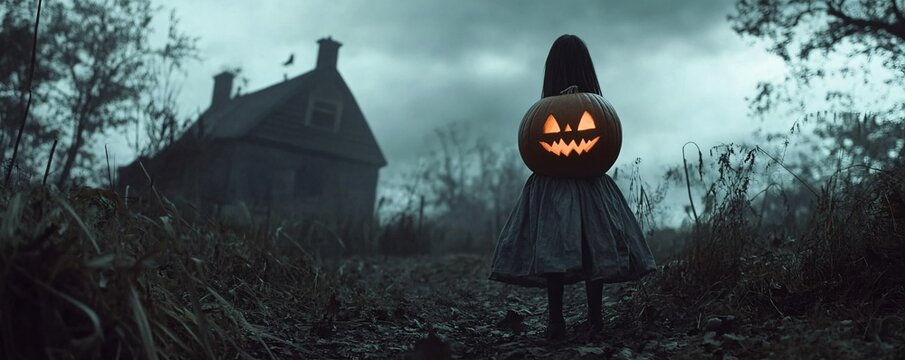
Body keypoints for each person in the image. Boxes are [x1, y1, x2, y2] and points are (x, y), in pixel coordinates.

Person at [488, 34, 656, 340]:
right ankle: (595, 318)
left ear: (550, 69)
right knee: (597, 248)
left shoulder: (553, 109)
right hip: (591, 184)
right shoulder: (587, 107)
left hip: (551, 186)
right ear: (587, 67)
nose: (566, 133)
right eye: (556, 127)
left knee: (554, 251)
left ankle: (556, 321)